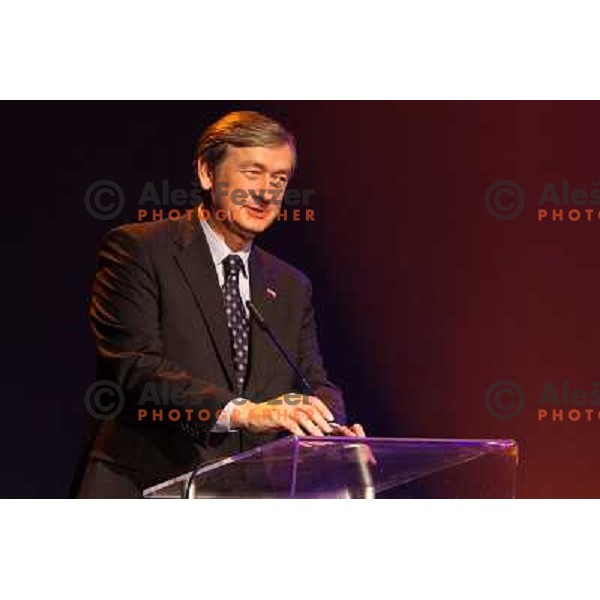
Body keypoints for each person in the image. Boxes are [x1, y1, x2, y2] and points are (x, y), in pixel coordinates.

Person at [77, 110, 365, 498]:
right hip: (145, 485)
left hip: (245, 496)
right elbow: (134, 369)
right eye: (253, 172)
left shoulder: (292, 286)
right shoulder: (139, 249)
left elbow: (313, 380)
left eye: (279, 179)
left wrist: (329, 427)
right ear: (207, 173)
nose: (266, 192)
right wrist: (245, 411)